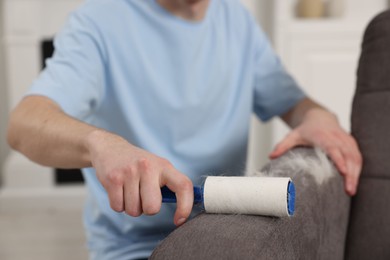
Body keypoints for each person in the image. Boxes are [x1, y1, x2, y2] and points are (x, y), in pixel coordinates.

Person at [7, 0, 362, 259]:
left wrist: (317, 117)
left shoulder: (236, 20)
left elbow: (296, 104)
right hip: (135, 248)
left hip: (226, 234)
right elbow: (24, 124)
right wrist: (100, 144)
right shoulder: (97, 22)